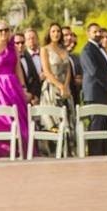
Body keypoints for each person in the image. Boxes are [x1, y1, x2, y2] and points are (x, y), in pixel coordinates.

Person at [0, 20, 31, 158]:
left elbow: (18, 69)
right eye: (0, 30)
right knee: (0, 122)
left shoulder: (13, 48)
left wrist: (23, 88)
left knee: (20, 121)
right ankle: (0, 153)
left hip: (13, 88)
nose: (4, 33)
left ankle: (21, 152)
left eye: (6, 30)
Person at [39, 22, 74, 152]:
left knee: (68, 120)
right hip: (51, 90)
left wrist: (65, 86)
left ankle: (68, 151)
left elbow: (68, 70)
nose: (56, 34)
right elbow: (47, 71)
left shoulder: (64, 50)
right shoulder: (45, 49)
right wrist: (59, 85)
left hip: (65, 89)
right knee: (53, 122)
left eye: (58, 31)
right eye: (53, 31)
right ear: (49, 33)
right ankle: (53, 151)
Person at [80, 22, 107, 155]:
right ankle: (94, 154)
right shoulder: (87, 50)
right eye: (95, 32)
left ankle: (104, 153)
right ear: (88, 33)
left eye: (99, 31)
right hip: (94, 93)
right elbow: (94, 71)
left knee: (104, 124)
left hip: (103, 92)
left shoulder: (101, 49)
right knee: (96, 125)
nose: (98, 34)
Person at [16, 32, 42, 104]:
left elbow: (34, 78)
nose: (20, 45)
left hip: (31, 99)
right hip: (17, 97)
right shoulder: (10, 61)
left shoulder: (28, 57)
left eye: (22, 42)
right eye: (17, 43)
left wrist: (33, 95)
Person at [63, 26, 83, 104]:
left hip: (75, 94)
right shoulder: (53, 54)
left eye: (70, 35)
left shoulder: (75, 57)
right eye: (65, 35)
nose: (69, 38)